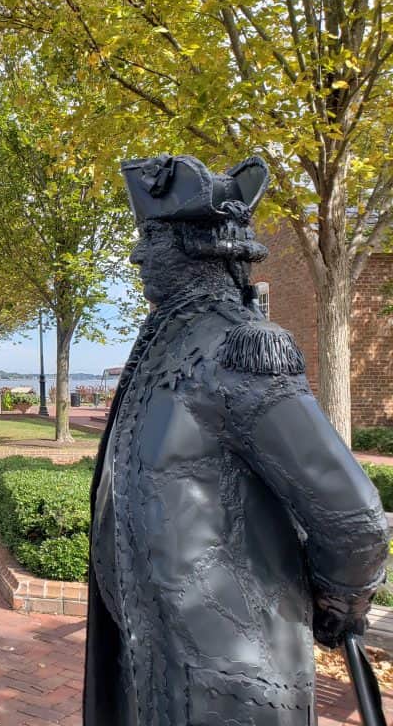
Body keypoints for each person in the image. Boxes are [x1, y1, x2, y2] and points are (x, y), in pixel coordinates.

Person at [83, 153, 390, 725]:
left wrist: (339, 607)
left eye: (153, 240)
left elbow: (352, 516)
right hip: (156, 664)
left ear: (197, 247)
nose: (138, 255)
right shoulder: (167, 344)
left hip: (226, 684)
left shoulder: (242, 350)